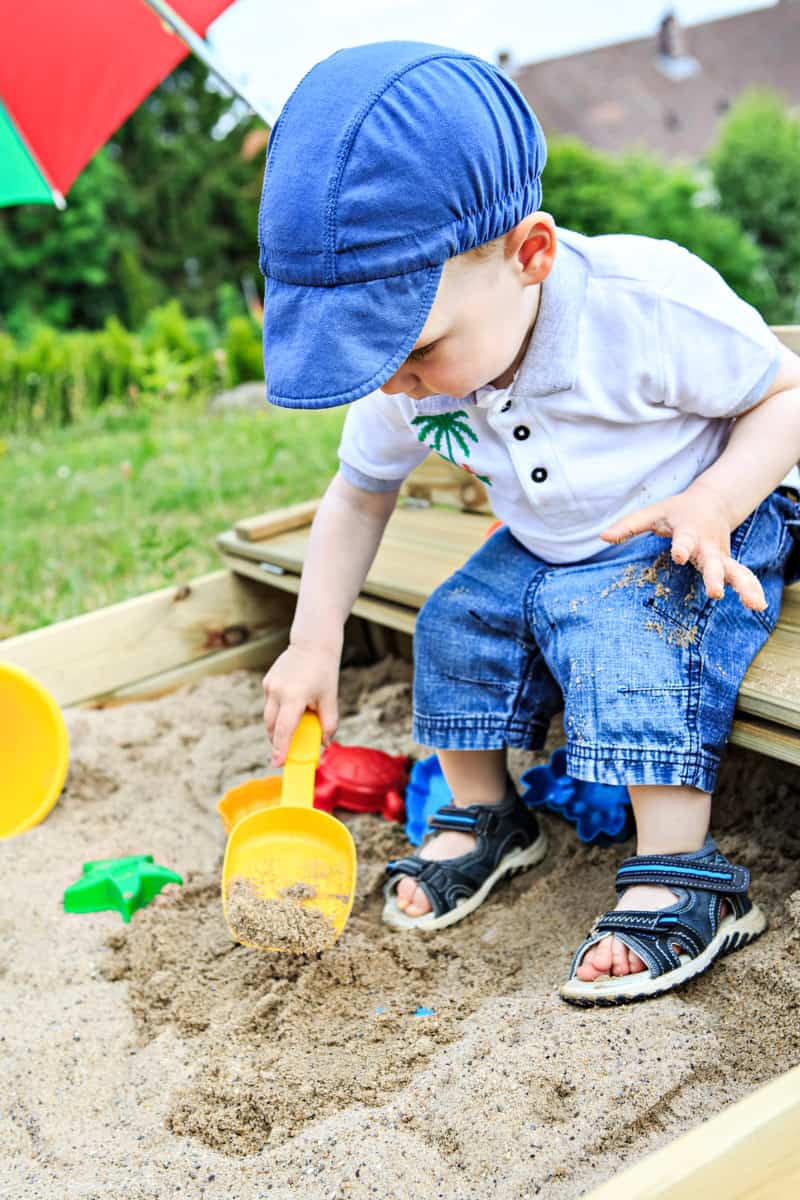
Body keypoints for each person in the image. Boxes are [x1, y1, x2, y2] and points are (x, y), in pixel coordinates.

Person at [258, 41, 800, 1004]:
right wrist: (311, 641)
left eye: (413, 350)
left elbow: (786, 393)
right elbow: (359, 491)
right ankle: (489, 816)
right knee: (454, 622)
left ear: (531, 256)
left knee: (636, 632)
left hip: (700, 514)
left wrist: (716, 499)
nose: (392, 382)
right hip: (555, 540)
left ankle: (687, 876)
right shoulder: (408, 364)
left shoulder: (640, 306)